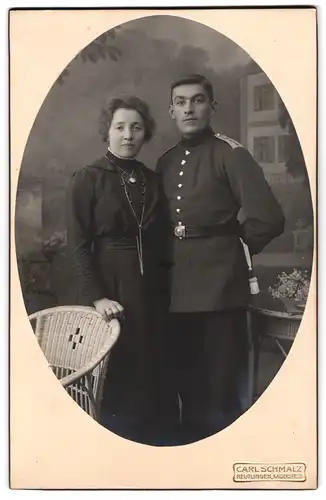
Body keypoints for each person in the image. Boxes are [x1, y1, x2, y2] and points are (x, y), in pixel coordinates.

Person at [156, 74, 285, 445]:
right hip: (175, 289)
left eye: (197, 101)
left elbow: (268, 218)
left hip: (220, 287)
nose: (189, 109)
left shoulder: (231, 153)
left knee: (219, 383)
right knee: (185, 377)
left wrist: (234, 250)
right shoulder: (165, 162)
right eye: (180, 102)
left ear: (211, 107)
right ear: (171, 111)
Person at [66, 95, 167, 444]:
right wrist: (97, 297)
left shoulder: (153, 180)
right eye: (120, 127)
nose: (128, 135)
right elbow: (78, 246)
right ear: (107, 131)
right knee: (116, 374)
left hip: (150, 289)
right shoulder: (87, 178)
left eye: (136, 127)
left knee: (149, 371)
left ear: (145, 133)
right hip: (108, 287)